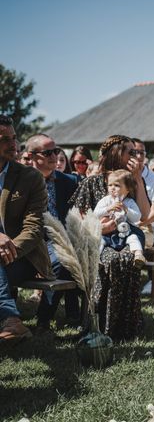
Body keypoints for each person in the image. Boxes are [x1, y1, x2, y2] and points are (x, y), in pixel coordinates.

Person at [69, 135, 150, 340]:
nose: (135, 156)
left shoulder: (130, 181)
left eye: (137, 152)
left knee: (128, 258)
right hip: (99, 238)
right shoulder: (93, 182)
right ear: (116, 153)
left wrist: (138, 179)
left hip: (125, 235)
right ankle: (101, 325)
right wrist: (99, 228)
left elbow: (145, 216)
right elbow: (77, 220)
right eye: (130, 152)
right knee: (110, 259)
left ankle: (126, 327)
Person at [0, 116, 53, 343]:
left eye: (14, 138)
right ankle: (11, 319)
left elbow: (33, 229)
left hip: (24, 258)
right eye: (4, 139)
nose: (13, 144)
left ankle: (11, 318)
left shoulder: (30, 178)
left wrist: (8, 248)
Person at [24, 133, 81, 332]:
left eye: (56, 151)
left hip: (66, 239)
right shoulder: (22, 183)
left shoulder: (71, 181)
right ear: (31, 156)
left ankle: (51, 317)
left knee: (71, 256)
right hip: (34, 241)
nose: (54, 156)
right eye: (47, 152)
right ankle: (65, 314)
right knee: (64, 259)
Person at [93, 169, 146, 266]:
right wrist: (107, 209)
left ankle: (138, 255)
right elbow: (95, 214)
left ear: (128, 189)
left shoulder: (129, 202)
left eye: (116, 185)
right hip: (109, 231)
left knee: (134, 238)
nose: (112, 188)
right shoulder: (105, 201)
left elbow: (137, 217)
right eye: (110, 185)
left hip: (126, 231)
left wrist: (127, 210)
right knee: (101, 241)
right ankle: (96, 258)